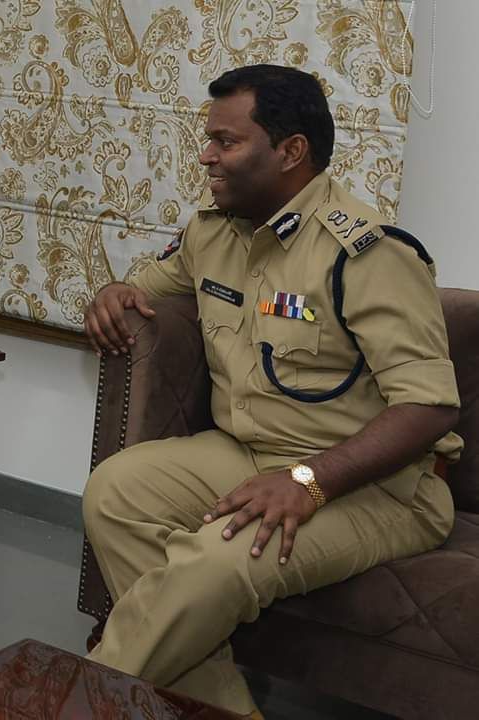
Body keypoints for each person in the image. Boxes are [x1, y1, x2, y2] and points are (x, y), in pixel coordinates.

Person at [81, 63, 461, 717]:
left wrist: (309, 481)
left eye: (225, 142)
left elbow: (428, 405)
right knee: (115, 492)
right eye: (209, 139)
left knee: (214, 561)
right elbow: (149, 283)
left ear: (290, 152)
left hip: (376, 489)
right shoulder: (213, 230)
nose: (206, 155)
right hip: (249, 451)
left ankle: (74, 699)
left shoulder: (366, 254)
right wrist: (114, 293)